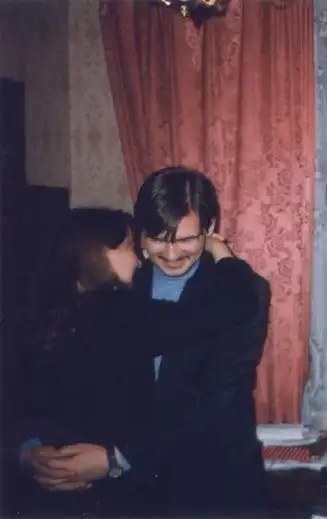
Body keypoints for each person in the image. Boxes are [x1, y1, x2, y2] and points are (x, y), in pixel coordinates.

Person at [23, 167, 271, 516]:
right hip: (121, 496)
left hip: (211, 487)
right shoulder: (114, 285)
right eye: (157, 238)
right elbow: (61, 384)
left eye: (186, 240)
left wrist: (118, 458)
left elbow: (210, 400)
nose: (171, 254)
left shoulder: (244, 291)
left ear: (210, 228)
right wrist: (32, 449)